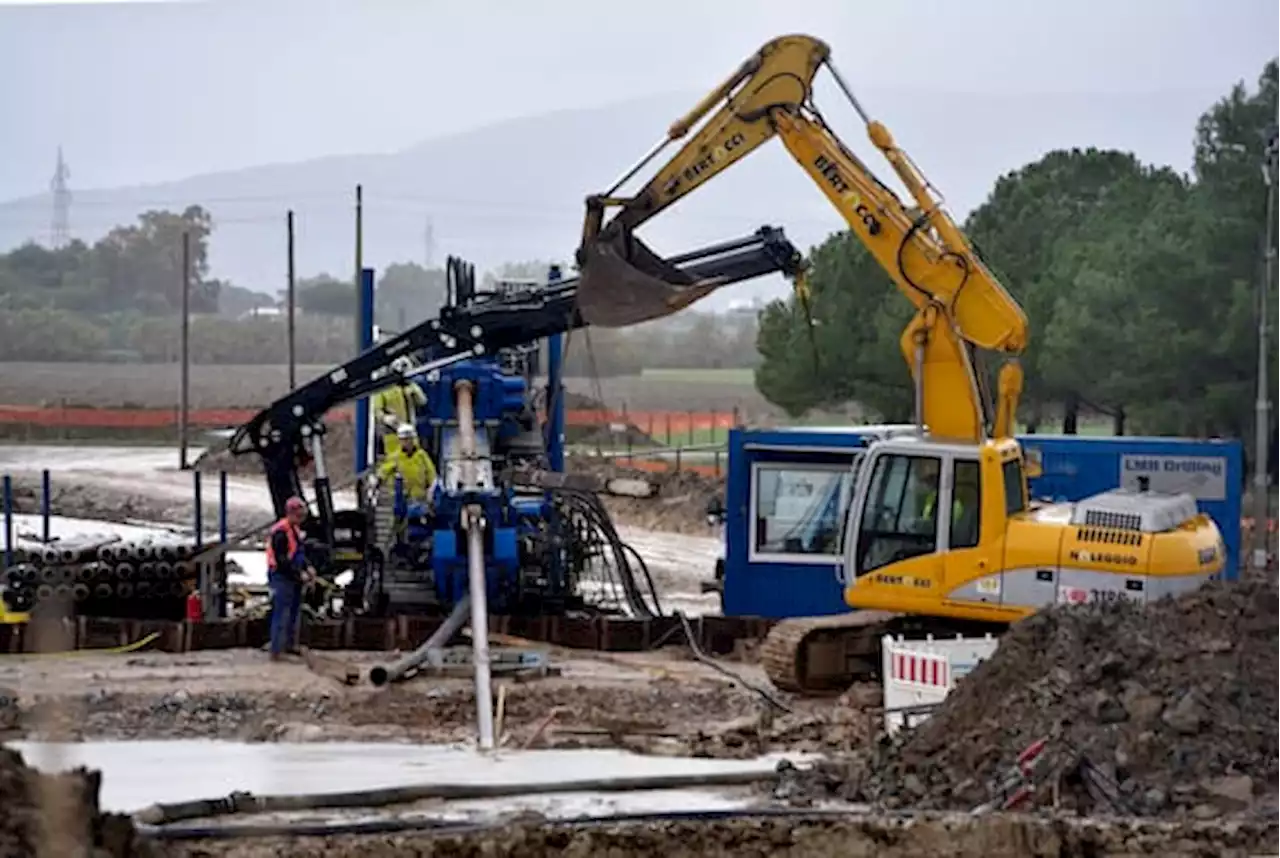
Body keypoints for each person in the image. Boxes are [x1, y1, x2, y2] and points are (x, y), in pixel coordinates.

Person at [266, 496, 314, 660]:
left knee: (294, 611)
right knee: (282, 612)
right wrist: (298, 573)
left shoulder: (295, 530)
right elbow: (282, 560)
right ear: (291, 513)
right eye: (299, 516)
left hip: (293, 576)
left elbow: (298, 552)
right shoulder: (281, 531)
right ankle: (276, 649)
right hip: (281, 576)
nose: (301, 519)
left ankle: (290, 645)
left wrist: (308, 567)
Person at [372, 358, 426, 458]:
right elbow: (377, 410)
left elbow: (422, 401)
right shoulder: (384, 388)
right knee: (394, 459)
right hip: (392, 432)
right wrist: (385, 418)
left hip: (410, 431)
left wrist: (414, 390)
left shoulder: (411, 387)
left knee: (414, 459)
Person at [377, 423, 439, 504]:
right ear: (400, 441)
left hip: (420, 498)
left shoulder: (421, 455)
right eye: (404, 439)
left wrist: (432, 489)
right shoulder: (396, 457)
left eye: (410, 439)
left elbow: (431, 473)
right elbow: (384, 471)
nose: (407, 442)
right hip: (402, 499)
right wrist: (378, 480)